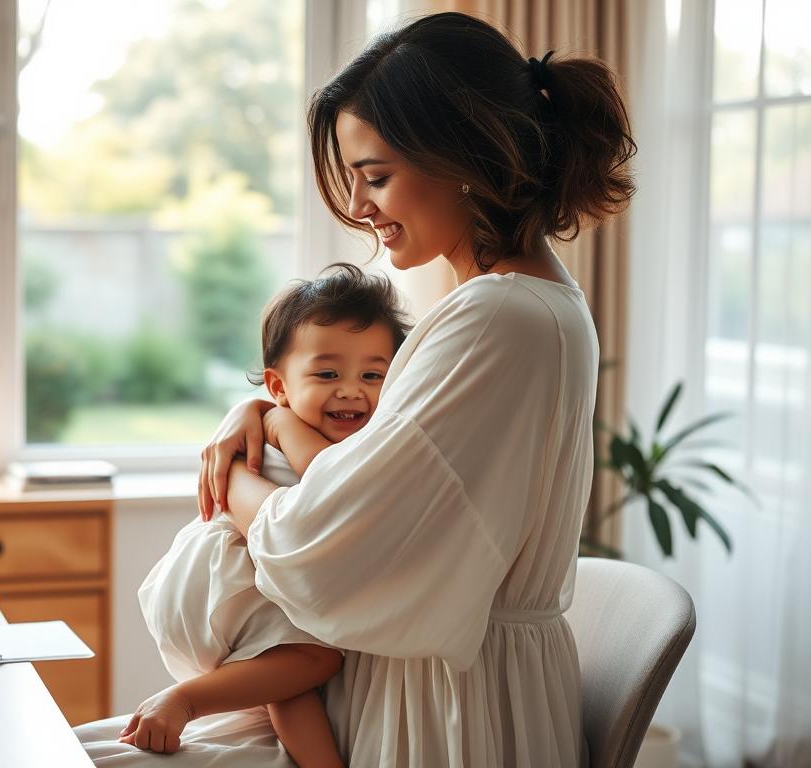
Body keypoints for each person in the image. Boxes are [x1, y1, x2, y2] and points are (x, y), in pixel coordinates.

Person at [76, 10, 635, 766]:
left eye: (376, 176)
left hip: (440, 713)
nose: (361, 206)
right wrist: (266, 415)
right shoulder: (524, 304)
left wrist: (235, 474)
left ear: (462, 158)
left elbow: (321, 545)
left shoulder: (499, 318)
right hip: (421, 685)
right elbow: (366, 472)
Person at [125, 264, 410, 767]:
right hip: (230, 573)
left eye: (373, 375)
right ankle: (183, 700)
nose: (351, 390)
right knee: (315, 658)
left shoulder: (278, 419)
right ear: (279, 386)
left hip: (217, 577)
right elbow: (329, 480)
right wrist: (269, 416)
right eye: (327, 374)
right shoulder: (288, 427)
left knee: (289, 675)